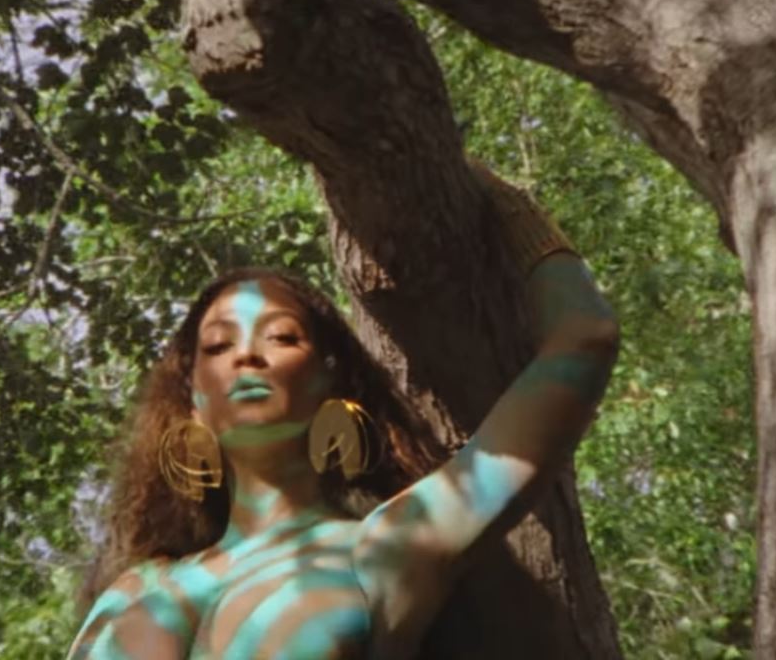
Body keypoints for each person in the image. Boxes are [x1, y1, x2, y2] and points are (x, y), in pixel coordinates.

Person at [68, 163, 620, 659]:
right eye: (217, 346)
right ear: (194, 400)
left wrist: (513, 208)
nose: (246, 355)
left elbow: (586, 339)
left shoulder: (387, 548)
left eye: (282, 337)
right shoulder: (135, 591)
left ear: (328, 381)